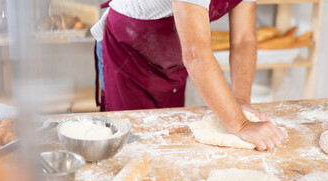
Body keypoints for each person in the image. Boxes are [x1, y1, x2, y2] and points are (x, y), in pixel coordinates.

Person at [91, 0, 286, 151]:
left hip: (170, 59)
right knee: (130, 147)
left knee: (167, 142)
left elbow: (243, 39)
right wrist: (241, 125)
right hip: (128, 52)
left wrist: (241, 101)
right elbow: (195, 54)